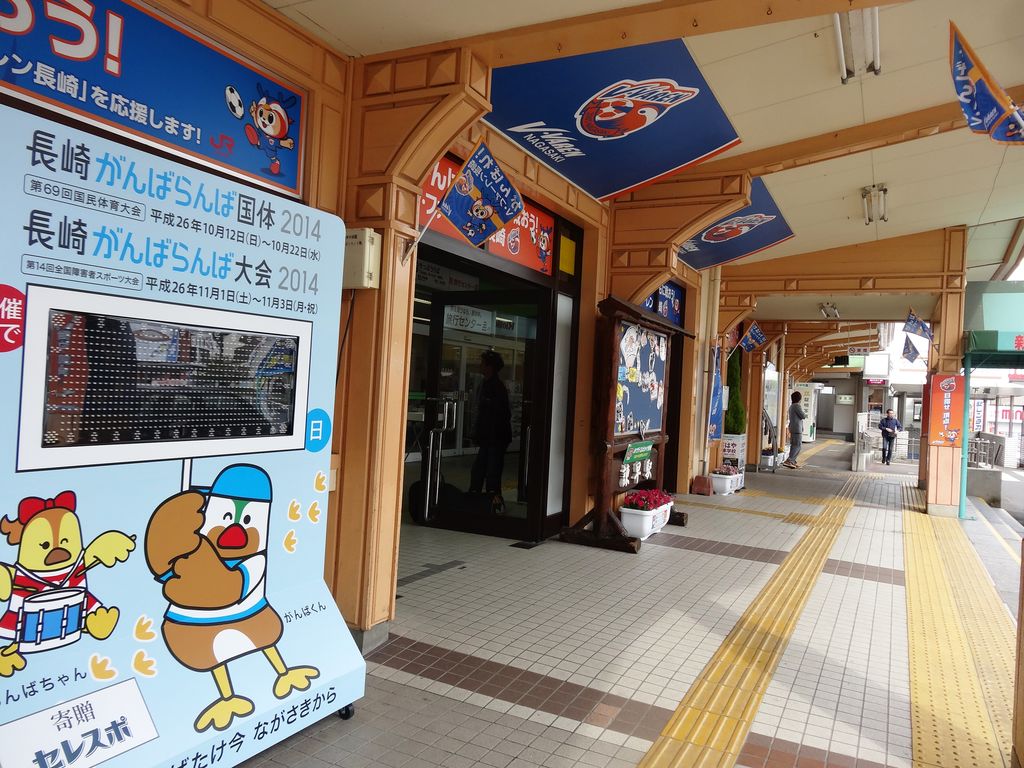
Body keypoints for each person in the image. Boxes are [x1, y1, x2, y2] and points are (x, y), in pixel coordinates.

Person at [469, 350, 513, 511]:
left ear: (490, 367)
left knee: (491, 473)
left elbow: (500, 415)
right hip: (490, 437)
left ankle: (493, 504)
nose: (480, 366)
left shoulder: (496, 387)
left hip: (495, 437)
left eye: (482, 363)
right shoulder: (486, 384)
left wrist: (483, 433)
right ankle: (480, 501)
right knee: (481, 470)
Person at [784, 391, 806, 469]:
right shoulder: (797, 406)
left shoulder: (792, 406)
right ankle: (789, 460)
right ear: (799, 399)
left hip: (793, 428)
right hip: (797, 429)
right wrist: (804, 413)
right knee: (797, 445)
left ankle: (792, 461)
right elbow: (803, 416)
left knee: (794, 445)